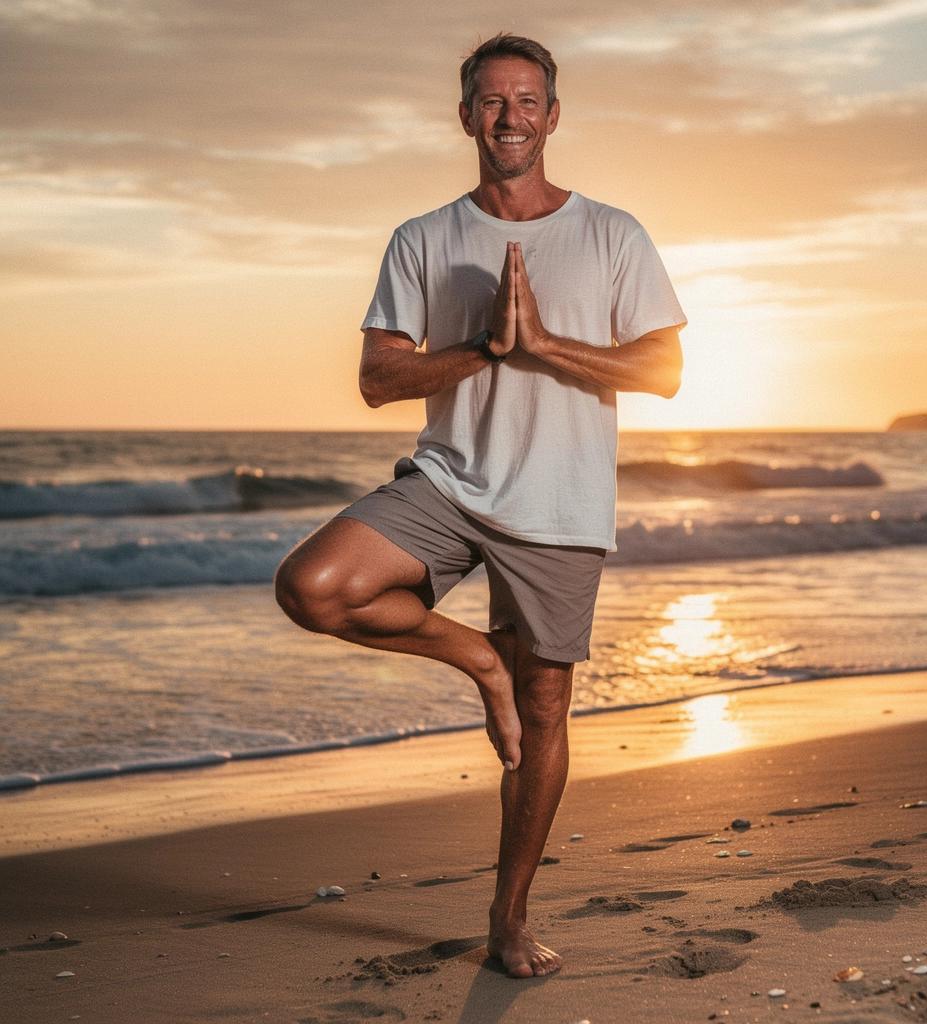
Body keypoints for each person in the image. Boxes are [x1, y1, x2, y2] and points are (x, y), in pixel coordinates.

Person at [274, 32, 687, 978]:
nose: (511, 117)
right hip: (451, 483)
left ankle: (509, 916)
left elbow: (663, 369)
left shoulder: (612, 233)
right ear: (466, 116)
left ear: (553, 114)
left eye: (528, 100)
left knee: (548, 707)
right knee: (314, 586)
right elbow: (381, 378)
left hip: (560, 502)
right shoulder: (424, 237)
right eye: (492, 101)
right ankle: (477, 664)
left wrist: (544, 344)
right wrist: (489, 351)